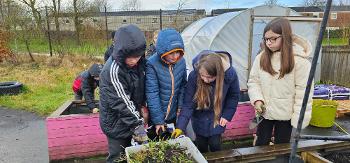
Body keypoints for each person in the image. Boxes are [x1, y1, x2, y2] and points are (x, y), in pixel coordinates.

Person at [247, 17, 314, 146]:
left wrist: (298, 119)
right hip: (264, 112)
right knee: (261, 145)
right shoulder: (261, 58)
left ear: (285, 36)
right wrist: (257, 100)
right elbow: (254, 81)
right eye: (266, 39)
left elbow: (303, 92)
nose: (269, 43)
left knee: (282, 148)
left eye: (273, 38)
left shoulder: (300, 62)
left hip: (286, 115)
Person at [173, 50, 240, 153]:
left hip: (217, 118)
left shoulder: (229, 76)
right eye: (202, 76)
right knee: (201, 146)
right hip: (199, 119)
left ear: (218, 73)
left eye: (209, 77)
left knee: (215, 145)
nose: (205, 80)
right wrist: (180, 127)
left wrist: (227, 115)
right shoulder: (194, 76)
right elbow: (188, 104)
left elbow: (233, 96)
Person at [99, 24, 148, 163]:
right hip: (115, 124)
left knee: (132, 154)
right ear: (120, 52)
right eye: (130, 57)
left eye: (137, 56)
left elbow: (141, 88)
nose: (134, 60)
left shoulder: (140, 63)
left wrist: (143, 106)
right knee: (117, 156)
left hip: (132, 118)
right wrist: (138, 126)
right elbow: (122, 103)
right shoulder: (113, 71)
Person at [145, 28, 187, 140]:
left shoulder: (181, 62)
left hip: (173, 114)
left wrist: (180, 105)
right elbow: (152, 93)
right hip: (156, 115)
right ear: (162, 50)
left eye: (178, 52)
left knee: (171, 145)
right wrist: (158, 121)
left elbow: (183, 85)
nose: (175, 56)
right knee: (156, 144)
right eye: (171, 53)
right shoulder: (152, 64)